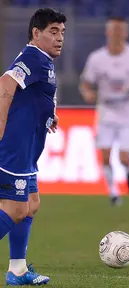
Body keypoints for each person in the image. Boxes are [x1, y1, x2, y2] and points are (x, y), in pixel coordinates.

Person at [0, 8, 65, 285]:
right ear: (36, 34)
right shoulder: (33, 57)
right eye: (53, 31)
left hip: (27, 149)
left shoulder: (43, 60)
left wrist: (49, 114)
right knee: (15, 209)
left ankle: (17, 270)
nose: (60, 38)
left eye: (62, 32)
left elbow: (34, 95)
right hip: (14, 148)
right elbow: (6, 82)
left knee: (31, 204)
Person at [79, 17, 129, 206]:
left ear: (126, 33)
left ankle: (128, 171)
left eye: (121, 30)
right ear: (108, 33)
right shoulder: (97, 59)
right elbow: (86, 83)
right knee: (104, 155)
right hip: (107, 110)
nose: (118, 34)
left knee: (124, 157)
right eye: (114, 30)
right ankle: (113, 192)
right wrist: (87, 93)